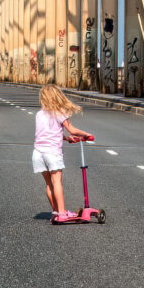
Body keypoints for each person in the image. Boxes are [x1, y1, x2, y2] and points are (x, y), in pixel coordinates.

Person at [33, 84, 97, 221]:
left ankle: (56, 212)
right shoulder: (59, 112)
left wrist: (67, 139)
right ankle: (62, 213)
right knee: (57, 182)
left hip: (38, 153)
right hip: (52, 152)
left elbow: (46, 134)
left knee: (49, 184)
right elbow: (72, 129)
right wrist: (86, 134)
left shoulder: (39, 114)